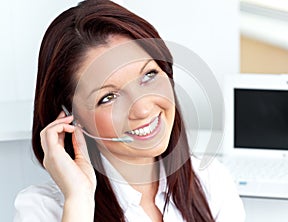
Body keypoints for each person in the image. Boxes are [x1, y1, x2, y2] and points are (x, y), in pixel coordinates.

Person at [13, 0, 245, 221]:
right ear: (70, 117)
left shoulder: (211, 181)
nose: (143, 109)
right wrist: (80, 200)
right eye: (109, 97)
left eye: (149, 75)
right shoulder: (43, 209)